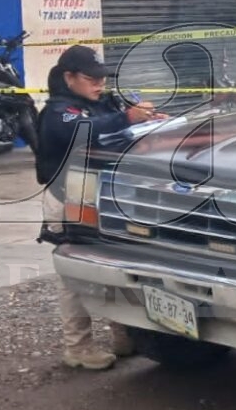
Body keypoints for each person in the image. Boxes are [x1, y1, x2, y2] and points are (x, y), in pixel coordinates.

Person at [35, 45, 162, 370]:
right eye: (91, 79)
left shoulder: (102, 103)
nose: (99, 85)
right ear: (69, 78)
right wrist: (125, 118)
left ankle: (123, 335)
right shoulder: (59, 111)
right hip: (70, 200)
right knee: (75, 274)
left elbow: (117, 127)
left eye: (101, 79)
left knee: (119, 265)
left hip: (106, 198)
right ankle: (77, 346)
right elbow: (81, 132)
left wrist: (148, 119)